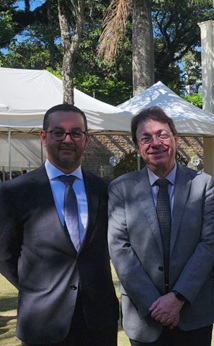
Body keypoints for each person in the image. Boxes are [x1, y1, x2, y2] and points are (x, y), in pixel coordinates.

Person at [0, 104, 119, 346]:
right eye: (58, 132)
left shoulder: (106, 190)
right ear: (44, 137)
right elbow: (4, 254)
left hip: (98, 322)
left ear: (86, 139)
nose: (67, 139)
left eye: (76, 133)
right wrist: (38, 286)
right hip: (42, 321)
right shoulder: (14, 192)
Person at [108, 106, 214, 345]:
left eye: (162, 134)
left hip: (194, 313)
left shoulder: (202, 184)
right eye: (146, 138)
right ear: (137, 147)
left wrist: (178, 298)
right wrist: (155, 305)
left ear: (176, 140)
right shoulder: (121, 188)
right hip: (144, 316)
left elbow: (208, 243)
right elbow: (119, 249)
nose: (155, 143)